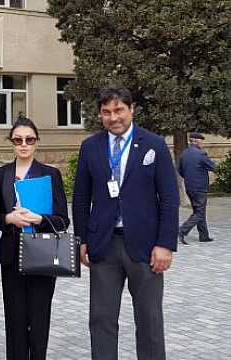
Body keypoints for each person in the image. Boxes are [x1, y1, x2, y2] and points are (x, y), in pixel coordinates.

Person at [72, 85, 179, 360]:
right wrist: (81, 239)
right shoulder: (90, 147)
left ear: (131, 110)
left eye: (119, 110)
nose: (113, 117)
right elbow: (81, 198)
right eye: (106, 112)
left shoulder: (153, 144)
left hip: (146, 248)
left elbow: (168, 197)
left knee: (149, 320)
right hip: (103, 246)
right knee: (101, 319)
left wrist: (165, 244)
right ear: (100, 115)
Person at [0, 118, 70, 360]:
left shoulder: (50, 175)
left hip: (42, 253)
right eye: (18, 140)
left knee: (39, 319)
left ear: (37, 142)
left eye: (29, 139)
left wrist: (38, 218)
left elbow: (63, 220)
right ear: (11, 143)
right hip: (11, 255)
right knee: (15, 320)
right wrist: (8, 218)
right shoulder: (0, 175)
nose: (24, 144)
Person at [178, 132, 217, 244]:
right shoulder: (201, 154)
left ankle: (204, 236)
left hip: (189, 187)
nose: (202, 143)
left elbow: (180, 170)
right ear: (196, 141)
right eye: (201, 141)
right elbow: (213, 167)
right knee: (199, 212)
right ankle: (182, 230)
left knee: (198, 211)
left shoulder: (184, 154)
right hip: (200, 188)